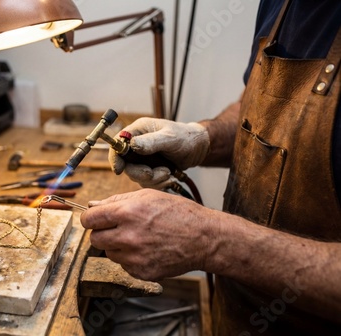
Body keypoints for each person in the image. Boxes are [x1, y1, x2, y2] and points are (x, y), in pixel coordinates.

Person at [80, 0, 341, 334]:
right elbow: (261, 107)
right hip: (234, 313)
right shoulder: (279, 6)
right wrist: (200, 138)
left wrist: (213, 241)